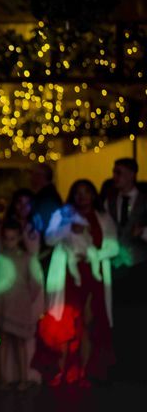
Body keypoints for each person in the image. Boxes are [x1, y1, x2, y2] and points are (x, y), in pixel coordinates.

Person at [33, 180, 118, 387]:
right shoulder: (62, 215)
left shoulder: (103, 218)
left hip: (93, 275)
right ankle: (63, 371)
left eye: (86, 192)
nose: (82, 197)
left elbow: (113, 247)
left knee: (88, 323)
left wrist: (93, 255)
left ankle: (83, 372)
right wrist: (68, 227)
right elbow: (50, 239)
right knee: (66, 323)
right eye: (78, 192)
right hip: (67, 277)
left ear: (93, 195)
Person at [104, 158, 147, 381]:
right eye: (114, 171)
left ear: (131, 174)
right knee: (118, 316)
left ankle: (139, 365)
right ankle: (120, 364)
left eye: (119, 172)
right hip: (115, 266)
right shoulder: (109, 200)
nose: (115, 176)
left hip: (140, 266)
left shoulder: (145, 200)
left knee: (138, 316)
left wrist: (144, 233)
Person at [0, 220, 44, 391]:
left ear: (19, 237)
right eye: (6, 238)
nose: (9, 241)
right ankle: (3, 378)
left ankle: (23, 378)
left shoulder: (27, 258)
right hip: (3, 305)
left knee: (20, 343)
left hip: (20, 306)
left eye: (13, 238)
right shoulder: (0, 258)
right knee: (2, 341)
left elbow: (35, 284)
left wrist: (25, 299)